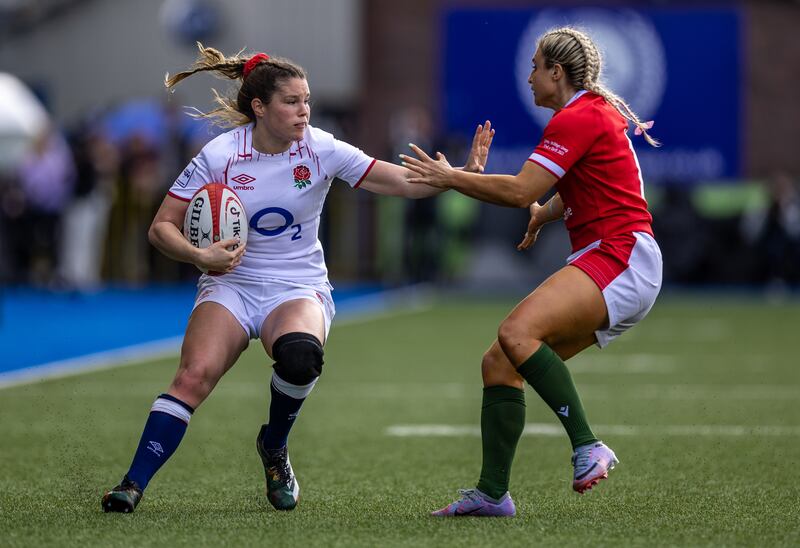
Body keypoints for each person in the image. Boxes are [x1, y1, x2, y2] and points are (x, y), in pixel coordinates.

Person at [101, 44, 494, 513]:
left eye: (307, 100)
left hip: (297, 285)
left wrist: (462, 177)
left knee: (301, 357)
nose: (304, 110)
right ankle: (132, 484)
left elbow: (398, 181)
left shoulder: (321, 147)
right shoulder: (221, 153)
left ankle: (274, 445)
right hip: (231, 284)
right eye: (292, 101)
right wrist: (199, 254)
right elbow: (161, 227)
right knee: (193, 377)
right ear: (260, 107)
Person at [402, 26, 663, 517]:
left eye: (536, 67)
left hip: (620, 255)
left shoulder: (577, 117)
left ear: (556, 72)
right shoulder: (588, 113)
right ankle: (492, 494)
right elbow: (578, 182)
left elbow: (522, 189)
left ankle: (587, 446)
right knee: (500, 363)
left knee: (517, 332)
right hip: (619, 257)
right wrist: (546, 214)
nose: (529, 77)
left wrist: (452, 177)